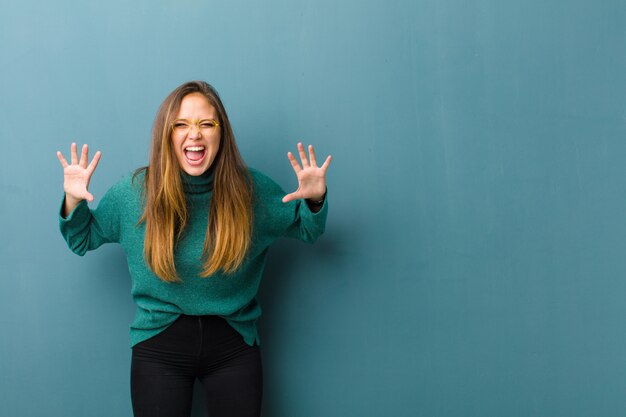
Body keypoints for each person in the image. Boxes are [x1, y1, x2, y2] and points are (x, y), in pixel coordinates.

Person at [56, 80, 331, 417]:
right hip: (159, 347)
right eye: (181, 125)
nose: (194, 135)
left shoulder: (252, 191)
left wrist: (315, 199)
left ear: (222, 133)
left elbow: (306, 227)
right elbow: (80, 238)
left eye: (206, 124)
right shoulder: (133, 194)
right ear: (166, 135)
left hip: (234, 347)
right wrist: (73, 199)